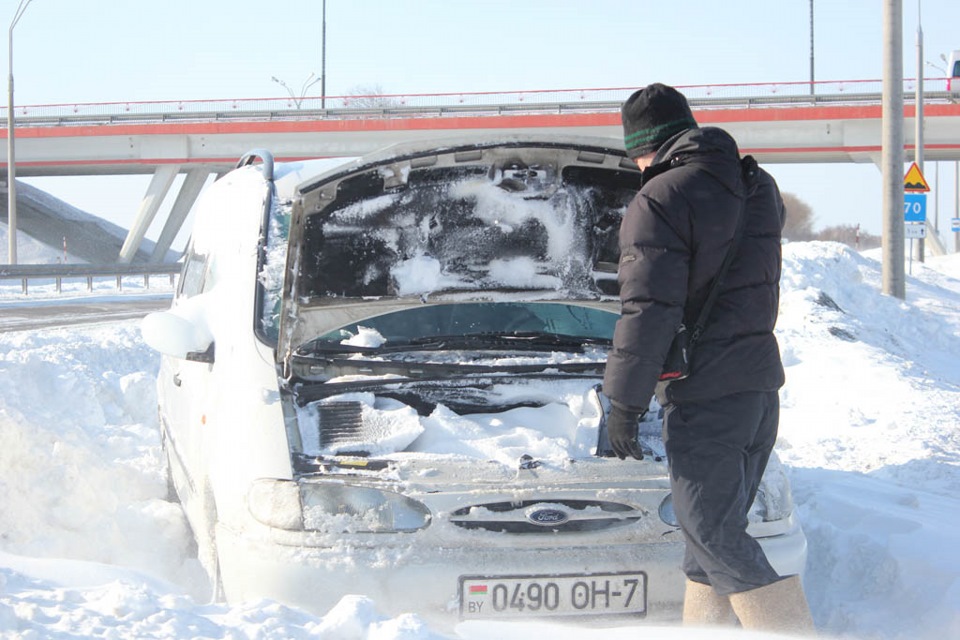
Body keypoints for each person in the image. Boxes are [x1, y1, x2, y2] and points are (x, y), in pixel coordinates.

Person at [601, 83, 815, 635]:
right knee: (708, 540)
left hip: (706, 396)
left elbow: (648, 309)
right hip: (758, 391)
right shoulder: (756, 185)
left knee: (717, 536)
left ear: (642, 147)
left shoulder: (660, 198)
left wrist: (622, 402)